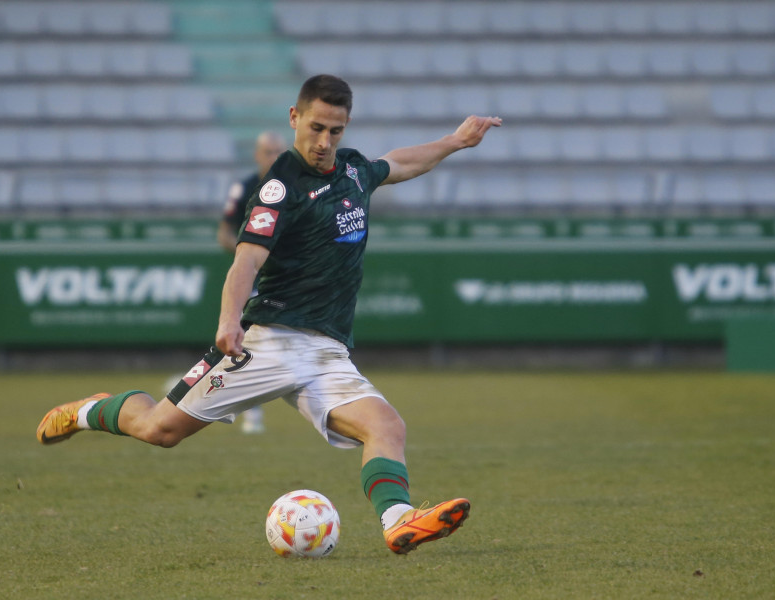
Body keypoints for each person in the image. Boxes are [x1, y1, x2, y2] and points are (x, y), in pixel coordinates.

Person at [37, 74, 502, 555]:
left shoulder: (354, 171)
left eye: (335, 131)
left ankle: (398, 521)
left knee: (387, 427)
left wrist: (455, 141)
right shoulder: (280, 189)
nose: (324, 142)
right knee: (160, 429)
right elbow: (246, 260)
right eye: (316, 127)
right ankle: (90, 410)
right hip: (271, 342)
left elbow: (400, 163)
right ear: (294, 118)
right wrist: (228, 320)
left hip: (327, 351)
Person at [216, 130, 287, 434]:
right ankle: (247, 410)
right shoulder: (244, 188)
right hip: (253, 280)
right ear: (258, 155)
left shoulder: (295, 187)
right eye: (269, 152)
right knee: (244, 343)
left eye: (279, 152)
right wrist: (251, 257)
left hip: (285, 281)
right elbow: (224, 234)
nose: (274, 158)